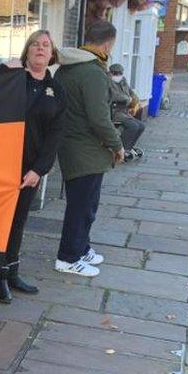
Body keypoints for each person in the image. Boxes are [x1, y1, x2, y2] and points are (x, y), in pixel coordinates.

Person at [0, 30, 66, 303]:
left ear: (52, 55)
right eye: (35, 44)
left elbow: (56, 134)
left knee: (18, 221)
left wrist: (39, 170)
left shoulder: (57, 90)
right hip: (0, 163)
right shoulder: (13, 80)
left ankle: (11, 272)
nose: (40, 48)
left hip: (29, 169)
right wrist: (3, 68)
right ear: (27, 51)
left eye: (46, 45)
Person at [52, 20, 124, 277]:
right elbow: (99, 118)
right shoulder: (92, 72)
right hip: (87, 149)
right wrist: (117, 144)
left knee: (83, 203)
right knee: (82, 206)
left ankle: (81, 248)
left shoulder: (66, 68)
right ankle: (68, 257)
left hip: (72, 145)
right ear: (107, 44)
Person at [108, 63, 145, 161]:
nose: (118, 75)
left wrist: (135, 101)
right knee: (133, 126)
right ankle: (121, 149)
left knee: (141, 126)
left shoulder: (123, 81)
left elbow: (131, 93)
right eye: (116, 73)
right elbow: (115, 96)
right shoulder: (107, 82)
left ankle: (129, 146)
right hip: (114, 112)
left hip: (124, 111)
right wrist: (128, 99)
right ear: (111, 73)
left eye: (120, 73)